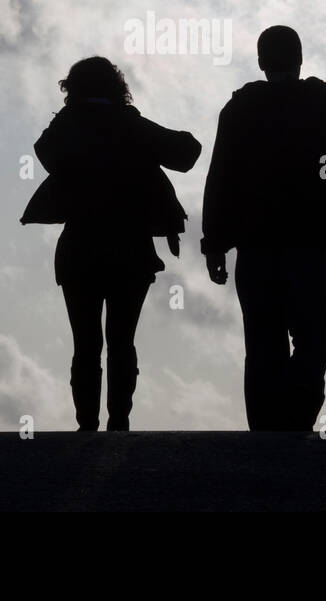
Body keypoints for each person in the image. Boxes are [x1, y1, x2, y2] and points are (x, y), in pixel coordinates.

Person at [22, 56, 201, 431]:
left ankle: (86, 425)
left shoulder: (69, 127)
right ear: (117, 86)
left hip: (80, 250)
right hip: (129, 251)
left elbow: (44, 150)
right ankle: (119, 423)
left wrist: (72, 115)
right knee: (122, 341)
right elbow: (187, 152)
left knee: (85, 343)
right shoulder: (130, 125)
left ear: (73, 89)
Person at [201, 26, 326, 430]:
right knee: (315, 338)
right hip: (309, 246)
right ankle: (294, 415)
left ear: (261, 62)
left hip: (255, 247)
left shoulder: (239, 110)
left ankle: (266, 431)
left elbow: (221, 178)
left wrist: (215, 243)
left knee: (262, 344)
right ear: (301, 57)